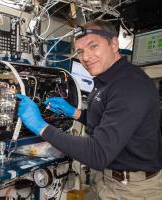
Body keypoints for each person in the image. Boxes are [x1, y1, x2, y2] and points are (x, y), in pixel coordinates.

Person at [17, 20, 162, 200]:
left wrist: (40, 126)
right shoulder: (106, 78)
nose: (85, 57)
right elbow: (108, 121)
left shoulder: (129, 85)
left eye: (93, 46)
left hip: (133, 190)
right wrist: (74, 113)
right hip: (107, 178)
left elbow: (97, 154)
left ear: (114, 44)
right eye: (80, 51)